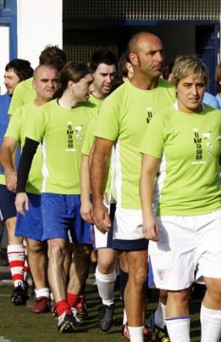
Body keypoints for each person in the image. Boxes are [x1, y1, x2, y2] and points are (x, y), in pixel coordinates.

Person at [140, 55, 221, 342]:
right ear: (175, 85)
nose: (194, 91)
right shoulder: (162, 120)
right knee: (178, 291)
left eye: (200, 85)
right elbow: (146, 174)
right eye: (187, 85)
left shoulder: (215, 116)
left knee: (220, 286)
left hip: (212, 215)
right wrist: (148, 216)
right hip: (171, 218)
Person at [90, 32, 175, 342]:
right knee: (138, 274)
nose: (160, 58)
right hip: (129, 204)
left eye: (161, 52)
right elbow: (99, 155)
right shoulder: (116, 101)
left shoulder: (173, 94)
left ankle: (160, 318)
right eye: (152, 53)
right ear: (133, 60)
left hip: (173, 201)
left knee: (174, 280)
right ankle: (135, 334)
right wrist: (98, 202)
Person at [16, 62, 96, 333]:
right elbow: (27, 152)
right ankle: (62, 310)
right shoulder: (45, 113)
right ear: (72, 85)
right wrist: (20, 190)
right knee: (56, 249)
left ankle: (72, 302)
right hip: (53, 195)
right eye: (88, 83)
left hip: (85, 195)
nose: (92, 88)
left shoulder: (93, 112)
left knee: (83, 252)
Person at [0, 64, 58, 314]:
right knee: (28, 239)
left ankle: (61, 295)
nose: (49, 85)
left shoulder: (68, 111)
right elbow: (7, 146)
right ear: (33, 84)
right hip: (25, 187)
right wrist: (11, 172)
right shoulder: (20, 112)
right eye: (43, 80)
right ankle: (28, 286)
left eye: (54, 80)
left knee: (59, 245)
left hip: (60, 189)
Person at [79, 49, 118, 332]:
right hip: (103, 197)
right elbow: (88, 160)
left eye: (112, 75)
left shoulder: (121, 103)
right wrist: (89, 198)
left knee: (134, 263)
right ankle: (106, 303)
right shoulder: (94, 113)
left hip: (131, 197)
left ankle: (134, 319)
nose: (109, 80)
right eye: (103, 74)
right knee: (103, 260)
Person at [0, 58, 33, 306]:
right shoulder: (0, 103)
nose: (5, 81)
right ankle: (19, 283)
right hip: (4, 180)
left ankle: (39, 282)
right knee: (13, 228)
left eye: (9, 77)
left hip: (33, 181)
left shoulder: (35, 106)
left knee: (32, 237)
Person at [8, 45, 67, 115]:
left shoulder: (69, 87)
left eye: (55, 78)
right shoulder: (22, 88)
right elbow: (13, 120)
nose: (50, 84)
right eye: (45, 80)